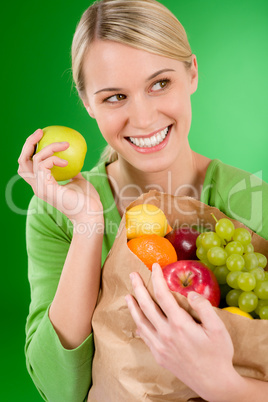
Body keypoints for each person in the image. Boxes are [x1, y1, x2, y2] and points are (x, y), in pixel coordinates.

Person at [18, 0, 268, 400]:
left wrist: (224, 385)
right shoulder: (55, 211)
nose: (145, 117)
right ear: (87, 103)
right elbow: (59, 389)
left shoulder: (251, 201)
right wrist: (87, 223)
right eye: (115, 97)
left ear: (192, 73)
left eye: (160, 83)